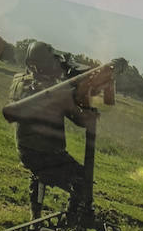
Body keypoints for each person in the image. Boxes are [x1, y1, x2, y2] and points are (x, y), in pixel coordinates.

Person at [6, 42, 89, 218]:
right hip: (47, 154)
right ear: (44, 63)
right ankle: (71, 219)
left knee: (38, 175)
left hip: (25, 151)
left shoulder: (18, 80)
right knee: (83, 179)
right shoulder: (54, 91)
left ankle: (35, 217)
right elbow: (80, 120)